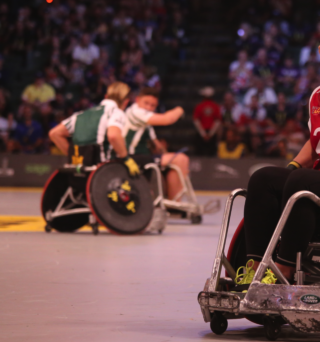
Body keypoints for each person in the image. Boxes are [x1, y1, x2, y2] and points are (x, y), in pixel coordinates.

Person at [232, 60, 320, 290]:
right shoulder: (317, 96)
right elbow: (315, 144)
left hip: (312, 182)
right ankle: (256, 267)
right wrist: (292, 166)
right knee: (264, 178)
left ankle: (284, 269)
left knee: (302, 181)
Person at [48, 82, 139, 176]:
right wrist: (126, 158)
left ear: (106, 96)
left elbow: (54, 134)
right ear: (126, 102)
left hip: (79, 173)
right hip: (104, 173)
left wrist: (76, 156)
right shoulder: (116, 112)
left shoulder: (80, 114)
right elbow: (113, 136)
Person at [123, 87, 186, 200]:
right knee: (180, 159)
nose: (148, 108)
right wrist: (180, 109)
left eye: (152, 106)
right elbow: (167, 119)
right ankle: (175, 203)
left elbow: (156, 145)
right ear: (137, 100)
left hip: (143, 156)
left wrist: (166, 153)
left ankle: (170, 200)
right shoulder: (136, 112)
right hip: (132, 157)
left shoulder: (146, 121)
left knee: (175, 159)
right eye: (146, 103)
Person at [193, 86, 222, 156]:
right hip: (211, 133)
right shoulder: (216, 106)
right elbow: (217, 121)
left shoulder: (199, 106)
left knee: (200, 153)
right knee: (211, 154)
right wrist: (210, 134)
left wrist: (203, 134)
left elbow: (196, 121)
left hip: (202, 134)